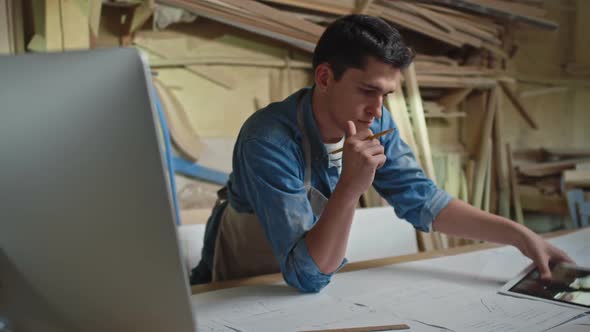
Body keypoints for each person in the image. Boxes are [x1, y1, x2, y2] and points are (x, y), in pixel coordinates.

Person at [190, 14, 573, 293]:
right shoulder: (268, 139)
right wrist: (349, 188)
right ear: (324, 78)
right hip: (241, 287)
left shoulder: (375, 123)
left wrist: (519, 235)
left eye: (386, 95)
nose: (377, 109)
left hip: (306, 281)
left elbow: (423, 201)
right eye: (367, 90)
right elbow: (307, 275)